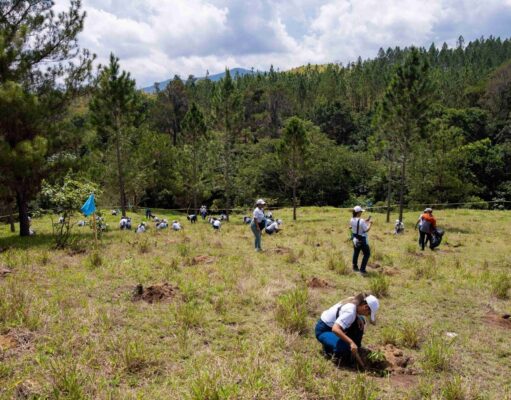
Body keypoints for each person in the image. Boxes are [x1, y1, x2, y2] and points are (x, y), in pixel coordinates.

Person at [315, 293, 379, 364]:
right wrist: (351, 342)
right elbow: (335, 329)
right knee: (345, 348)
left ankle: (356, 349)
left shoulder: (355, 304)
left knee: (361, 321)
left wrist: (357, 317)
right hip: (324, 330)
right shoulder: (350, 312)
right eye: (369, 313)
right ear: (365, 307)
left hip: (333, 327)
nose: (367, 315)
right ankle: (328, 350)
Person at [350, 206, 372, 274]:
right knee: (367, 254)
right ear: (358, 212)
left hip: (354, 238)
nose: (362, 213)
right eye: (361, 212)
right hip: (361, 238)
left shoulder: (351, 219)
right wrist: (370, 224)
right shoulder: (361, 221)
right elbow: (366, 230)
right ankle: (362, 270)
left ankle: (355, 267)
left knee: (356, 252)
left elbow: (358, 223)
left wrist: (366, 220)